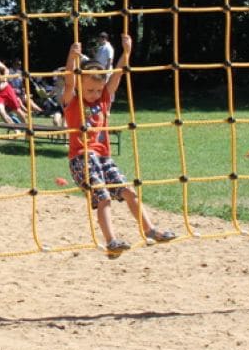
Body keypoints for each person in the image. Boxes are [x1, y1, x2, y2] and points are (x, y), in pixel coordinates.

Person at [59, 35, 176, 257]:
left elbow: (118, 75)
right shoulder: (73, 102)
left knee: (129, 191)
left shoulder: (103, 98)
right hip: (81, 158)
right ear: (81, 87)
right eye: (90, 90)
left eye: (97, 90)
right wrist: (71, 58)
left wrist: (126, 53)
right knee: (102, 197)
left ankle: (149, 230)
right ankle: (111, 241)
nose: (94, 95)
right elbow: (69, 82)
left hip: (103, 158)